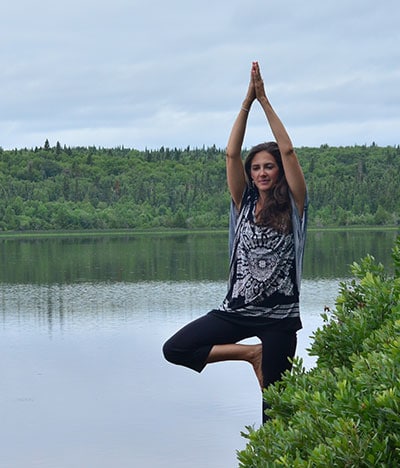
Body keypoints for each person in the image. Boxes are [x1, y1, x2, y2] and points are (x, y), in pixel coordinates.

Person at [162, 61, 307, 423]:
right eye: (256, 167)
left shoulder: (295, 205)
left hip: (279, 319)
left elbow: (289, 152)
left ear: (279, 172)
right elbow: (230, 154)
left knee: (275, 411)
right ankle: (249, 355)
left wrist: (266, 101)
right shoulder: (242, 202)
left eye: (268, 167)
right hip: (236, 311)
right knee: (176, 348)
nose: (261, 172)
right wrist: (247, 101)